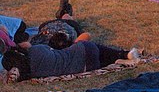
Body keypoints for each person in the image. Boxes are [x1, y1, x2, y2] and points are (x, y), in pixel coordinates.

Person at [2, 36, 140, 80]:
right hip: (84, 51)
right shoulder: (36, 50)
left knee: (96, 59)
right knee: (90, 47)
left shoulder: (32, 74)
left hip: (86, 68)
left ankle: (115, 60)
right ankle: (123, 54)